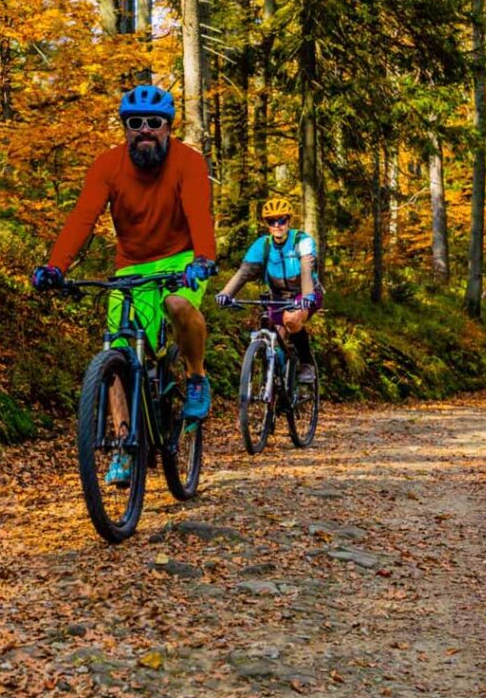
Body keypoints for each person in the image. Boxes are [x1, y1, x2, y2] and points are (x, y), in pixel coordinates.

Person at [31, 85, 217, 481]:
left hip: (182, 258)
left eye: (155, 122)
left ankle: (197, 378)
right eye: (136, 123)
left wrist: (203, 259)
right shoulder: (107, 166)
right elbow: (82, 217)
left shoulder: (188, 161)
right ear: (125, 129)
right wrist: (55, 266)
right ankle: (123, 446)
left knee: (178, 306)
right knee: (116, 353)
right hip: (131, 266)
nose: (145, 130)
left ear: (169, 127)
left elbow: (199, 212)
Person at [215, 198, 323, 382]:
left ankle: (306, 363)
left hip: (305, 293)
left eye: (282, 220)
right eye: (272, 221)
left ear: (289, 220)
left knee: (291, 319)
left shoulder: (301, 241)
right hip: (278, 296)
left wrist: (307, 296)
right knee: (273, 340)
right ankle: (277, 390)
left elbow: (306, 268)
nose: (277, 225)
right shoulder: (263, 245)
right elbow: (244, 272)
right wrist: (226, 294)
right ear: (267, 224)